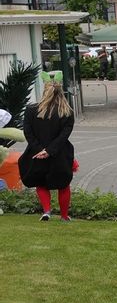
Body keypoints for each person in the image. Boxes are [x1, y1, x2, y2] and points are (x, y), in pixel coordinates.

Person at [18, 81, 76, 221]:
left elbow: (28, 133)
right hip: (60, 153)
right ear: (61, 92)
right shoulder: (67, 112)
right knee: (63, 184)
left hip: (36, 153)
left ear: (44, 92)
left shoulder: (31, 110)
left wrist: (40, 150)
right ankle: (63, 216)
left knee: (41, 182)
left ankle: (46, 211)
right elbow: (64, 136)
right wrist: (49, 151)